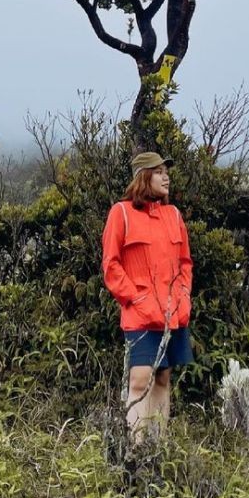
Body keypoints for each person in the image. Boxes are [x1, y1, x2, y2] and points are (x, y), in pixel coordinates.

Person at [101, 150, 193, 441]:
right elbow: (111, 265)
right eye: (159, 171)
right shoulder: (122, 213)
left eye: (167, 171)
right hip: (141, 315)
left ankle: (158, 445)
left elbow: (185, 263)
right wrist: (137, 299)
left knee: (163, 378)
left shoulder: (173, 215)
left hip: (172, 314)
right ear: (143, 177)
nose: (166, 177)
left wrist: (184, 298)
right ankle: (135, 451)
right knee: (140, 380)